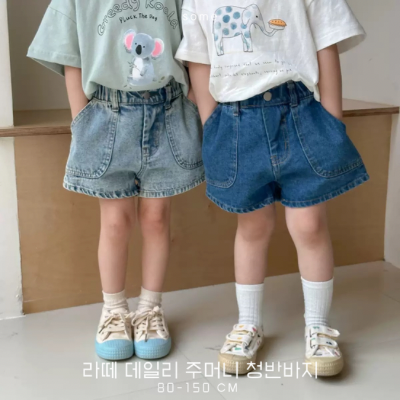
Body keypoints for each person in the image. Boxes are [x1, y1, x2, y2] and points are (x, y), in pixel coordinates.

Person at [176, 0, 367, 376]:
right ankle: (248, 323)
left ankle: (318, 326)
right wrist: (211, 124)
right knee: (252, 227)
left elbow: (326, 42)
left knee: (309, 225)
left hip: (300, 113)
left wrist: (332, 121)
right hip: (234, 121)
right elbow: (199, 58)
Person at [28, 0, 204, 361]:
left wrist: (192, 101)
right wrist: (81, 117)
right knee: (115, 222)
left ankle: (150, 309)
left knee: (157, 218)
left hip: (169, 111)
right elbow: (70, 52)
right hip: (105, 113)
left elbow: (198, 41)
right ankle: (114, 311)